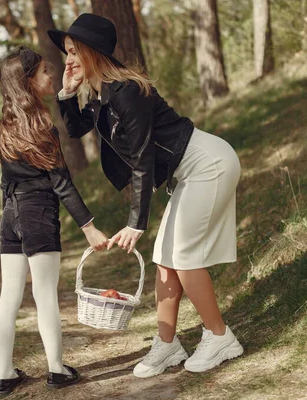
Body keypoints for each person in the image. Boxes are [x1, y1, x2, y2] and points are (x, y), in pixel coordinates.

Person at [48, 14, 244, 378]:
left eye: (75, 52)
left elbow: (142, 157)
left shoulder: (126, 92)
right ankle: (168, 345)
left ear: (93, 52)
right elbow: (75, 130)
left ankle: (220, 336)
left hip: (207, 163)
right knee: (165, 258)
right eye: (67, 52)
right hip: (187, 172)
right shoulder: (101, 94)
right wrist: (65, 94)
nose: (69, 59)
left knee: (184, 257)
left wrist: (136, 223)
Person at [0, 46, 108, 395]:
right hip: (38, 216)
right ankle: (56, 370)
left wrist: (10, 220)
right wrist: (89, 227)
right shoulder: (41, 128)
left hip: (10, 215)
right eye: (44, 72)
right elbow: (62, 184)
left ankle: (5, 373)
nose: (51, 75)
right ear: (28, 82)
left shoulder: (3, 129)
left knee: (8, 297)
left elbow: (5, 183)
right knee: (45, 296)